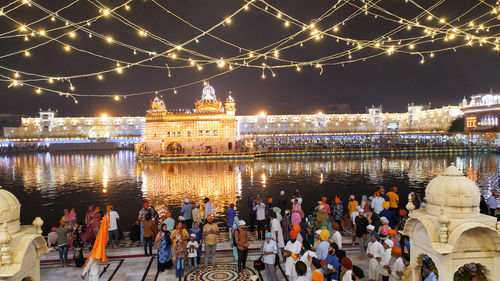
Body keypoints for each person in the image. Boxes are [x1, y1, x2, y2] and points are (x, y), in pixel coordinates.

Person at [81, 215, 109, 281]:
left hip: (92, 275)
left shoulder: (92, 256)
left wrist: (83, 273)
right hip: (95, 273)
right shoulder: (97, 255)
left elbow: (88, 266)